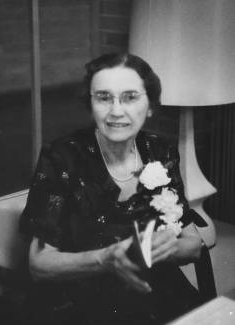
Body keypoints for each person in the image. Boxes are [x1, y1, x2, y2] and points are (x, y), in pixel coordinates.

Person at [20, 53, 206, 325]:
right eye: (104, 97)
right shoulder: (61, 157)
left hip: (154, 291)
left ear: (150, 106)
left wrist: (162, 250)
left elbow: (192, 245)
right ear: (90, 104)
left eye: (130, 97)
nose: (116, 111)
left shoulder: (159, 150)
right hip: (80, 303)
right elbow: (39, 265)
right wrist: (105, 259)